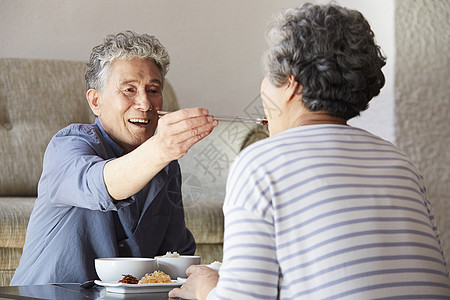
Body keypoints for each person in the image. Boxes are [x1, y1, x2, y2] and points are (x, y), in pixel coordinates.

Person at [169, 3, 450, 299]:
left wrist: (205, 288)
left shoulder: (261, 163)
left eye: (267, 76)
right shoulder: (400, 162)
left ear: (291, 82)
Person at [10, 31, 218, 285]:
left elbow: (175, 254)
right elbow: (101, 185)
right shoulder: (68, 145)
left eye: (153, 90)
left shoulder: (167, 166)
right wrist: (161, 149)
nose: (145, 103)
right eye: (129, 89)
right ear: (96, 101)